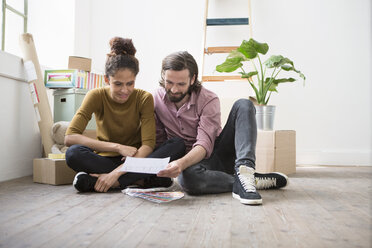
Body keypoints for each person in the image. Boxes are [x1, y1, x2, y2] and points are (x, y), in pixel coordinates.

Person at [154, 51, 288, 205]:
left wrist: (181, 163)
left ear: (192, 79)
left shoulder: (208, 99)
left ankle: (245, 170)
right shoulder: (156, 100)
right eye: (169, 82)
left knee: (244, 104)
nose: (174, 89)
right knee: (188, 179)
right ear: (163, 76)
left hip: (218, 153)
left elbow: (205, 144)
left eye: (181, 84)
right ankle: (246, 181)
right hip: (196, 165)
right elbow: (159, 141)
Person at [65, 37, 185, 193]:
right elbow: (70, 137)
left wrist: (116, 173)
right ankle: (140, 179)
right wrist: (118, 147)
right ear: (107, 79)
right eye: (118, 84)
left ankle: (108, 181)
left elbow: (148, 145)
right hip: (105, 159)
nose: (125, 90)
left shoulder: (143, 98)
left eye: (130, 83)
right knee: (73, 153)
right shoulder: (95, 96)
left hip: (137, 159)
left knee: (178, 145)